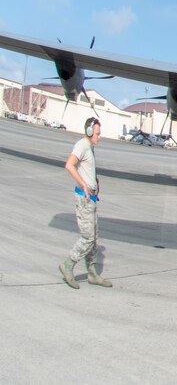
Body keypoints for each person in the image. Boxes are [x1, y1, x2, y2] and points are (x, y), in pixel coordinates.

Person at [59, 117, 112, 289]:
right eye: (97, 133)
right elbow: (69, 165)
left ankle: (92, 273)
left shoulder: (89, 147)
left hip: (92, 198)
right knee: (88, 238)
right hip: (84, 198)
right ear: (89, 131)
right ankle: (68, 264)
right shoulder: (82, 145)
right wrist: (83, 184)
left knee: (94, 239)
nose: (99, 137)